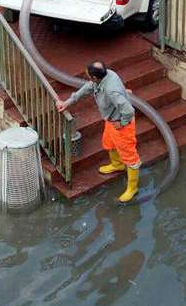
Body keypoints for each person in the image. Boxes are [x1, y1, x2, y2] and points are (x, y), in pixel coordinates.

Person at [56, 62, 140, 203]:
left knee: (131, 159)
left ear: (95, 77)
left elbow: (129, 111)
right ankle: (118, 165)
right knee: (108, 144)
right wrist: (68, 102)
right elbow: (88, 87)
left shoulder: (111, 91)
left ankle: (132, 188)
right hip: (111, 120)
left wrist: (122, 123)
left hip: (122, 125)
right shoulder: (106, 75)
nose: (87, 76)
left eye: (89, 75)